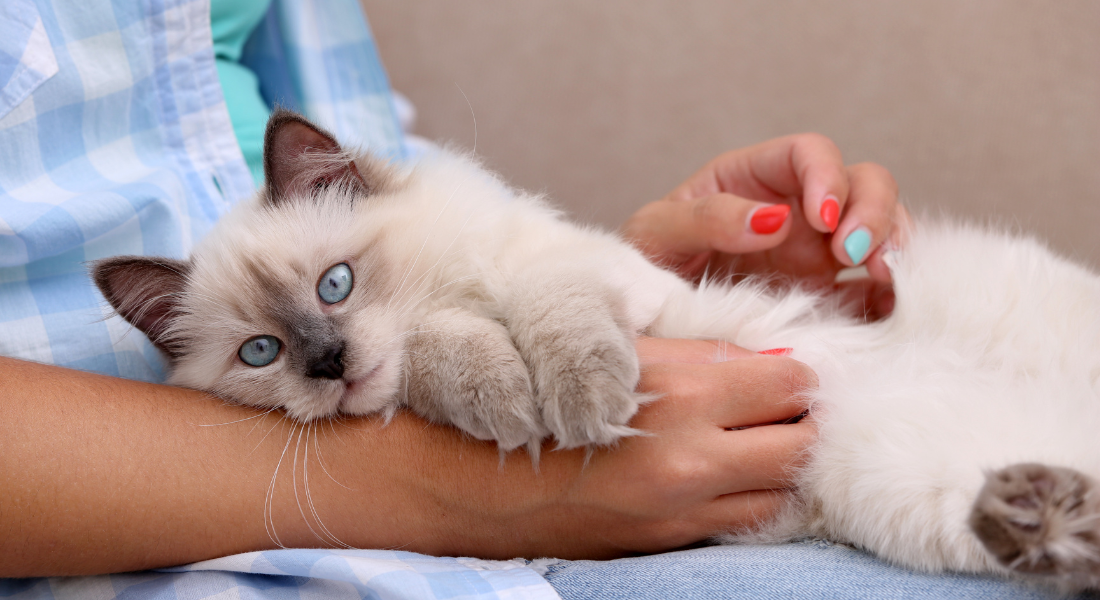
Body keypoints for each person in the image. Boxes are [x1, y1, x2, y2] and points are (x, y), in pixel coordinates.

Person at [1, 1, 1074, 599]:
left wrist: (630, 269)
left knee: (968, 284)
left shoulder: (366, 214)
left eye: (333, 290)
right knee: (941, 522)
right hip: (260, 537)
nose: (322, 353)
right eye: (262, 352)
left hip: (657, 386)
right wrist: (466, 478)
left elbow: (432, 206)